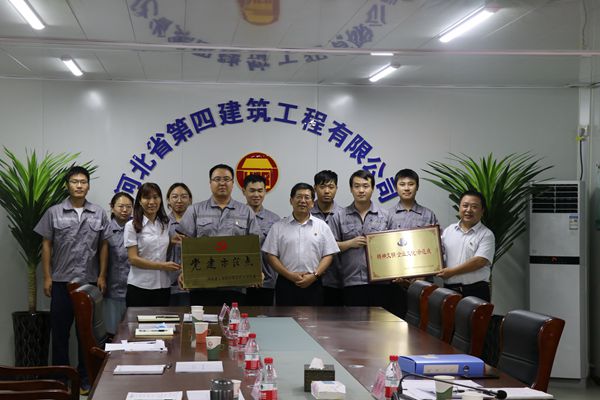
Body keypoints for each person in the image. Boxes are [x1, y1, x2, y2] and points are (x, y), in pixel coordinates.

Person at [34, 166, 108, 393]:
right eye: (75, 181)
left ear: (88, 186)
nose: (79, 185)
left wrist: (102, 275)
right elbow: (46, 245)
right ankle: (61, 380)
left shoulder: (98, 213)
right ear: (67, 185)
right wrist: (47, 277)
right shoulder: (54, 212)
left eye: (83, 182)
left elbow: (104, 245)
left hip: (88, 283)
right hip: (61, 282)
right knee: (60, 333)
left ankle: (86, 379)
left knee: (86, 334)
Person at [177, 164, 260, 305]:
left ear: (233, 183)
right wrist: (184, 271)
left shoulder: (246, 211)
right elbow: (184, 244)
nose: (222, 183)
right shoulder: (195, 210)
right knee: (202, 319)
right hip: (201, 283)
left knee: (233, 318)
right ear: (210, 183)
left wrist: (257, 271)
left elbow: (254, 245)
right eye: (217, 179)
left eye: (226, 179)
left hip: (235, 284)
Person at [262, 183, 339, 306]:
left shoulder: (322, 226)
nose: (303, 201)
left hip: (314, 282)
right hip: (286, 282)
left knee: (314, 318)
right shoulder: (278, 227)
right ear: (291, 200)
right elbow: (270, 256)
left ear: (312, 203)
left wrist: (314, 275)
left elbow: (329, 255)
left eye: (307, 197)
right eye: (299, 197)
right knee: (285, 317)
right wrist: (289, 275)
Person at [328, 170, 391, 308]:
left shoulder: (386, 216)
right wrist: (349, 243)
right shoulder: (339, 216)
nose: (361, 190)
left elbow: (394, 247)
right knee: (354, 320)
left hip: (381, 281)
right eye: (356, 186)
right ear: (351, 189)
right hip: (351, 281)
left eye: (365, 186)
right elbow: (329, 247)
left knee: (379, 320)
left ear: (372, 188)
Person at [387, 169, 439, 317]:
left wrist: (422, 275)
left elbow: (436, 247)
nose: (407, 188)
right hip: (395, 282)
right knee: (395, 321)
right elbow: (383, 248)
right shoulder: (387, 215)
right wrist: (393, 273)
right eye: (402, 184)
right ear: (396, 187)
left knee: (422, 322)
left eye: (411, 184)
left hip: (423, 283)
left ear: (417, 187)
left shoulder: (428, 215)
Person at [124, 182, 180, 306]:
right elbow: (133, 259)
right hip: (140, 286)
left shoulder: (165, 223)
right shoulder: (131, 226)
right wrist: (162, 266)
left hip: (163, 286)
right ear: (140, 201)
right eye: (147, 198)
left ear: (160, 200)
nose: (152, 202)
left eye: (155, 197)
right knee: (137, 320)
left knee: (162, 319)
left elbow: (161, 253)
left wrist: (171, 243)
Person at [437, 190, 495, 301]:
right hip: (449, 291)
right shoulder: (449, 231)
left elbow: (479, 261)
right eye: (465, 205)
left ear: (482, 211)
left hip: (476, 292)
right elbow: (438, 253)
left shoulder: (486, 234)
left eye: (474, 207)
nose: (468, 210)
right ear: (459, 208)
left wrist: (452, 272)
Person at [242, 174, 280, 306]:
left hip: (266, 281)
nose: (256, 195)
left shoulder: (274, 220)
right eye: (252, 190)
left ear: (265, 191)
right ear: (244, 191)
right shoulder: (235, 216)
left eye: (260, 190)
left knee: (265, 317)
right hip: (239, 282)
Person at [100, 192, 134, 335]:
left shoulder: (138, 228)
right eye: (121, 206)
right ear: (112, 207)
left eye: (128, 206)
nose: (125, 210)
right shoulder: (104, 230)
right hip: (112, 290)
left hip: (134, 290)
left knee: (132, 333)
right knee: (112, 333)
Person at [311, 170, 344, 306]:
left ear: (336, 188)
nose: (327, 191)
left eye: (331, 187)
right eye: (322, 187)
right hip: (309, 278)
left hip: (337, 280)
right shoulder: (305, 213)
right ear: (315, 188)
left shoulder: (344, 214)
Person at [165, 182, 193, 306]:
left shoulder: (197, 222)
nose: (179, 200)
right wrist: (170, 243)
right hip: (167, 282)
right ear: (168, 200)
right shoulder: (162, 223)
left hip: (191, 282)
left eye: (184, 196)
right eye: (175, 196)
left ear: (190, 200)